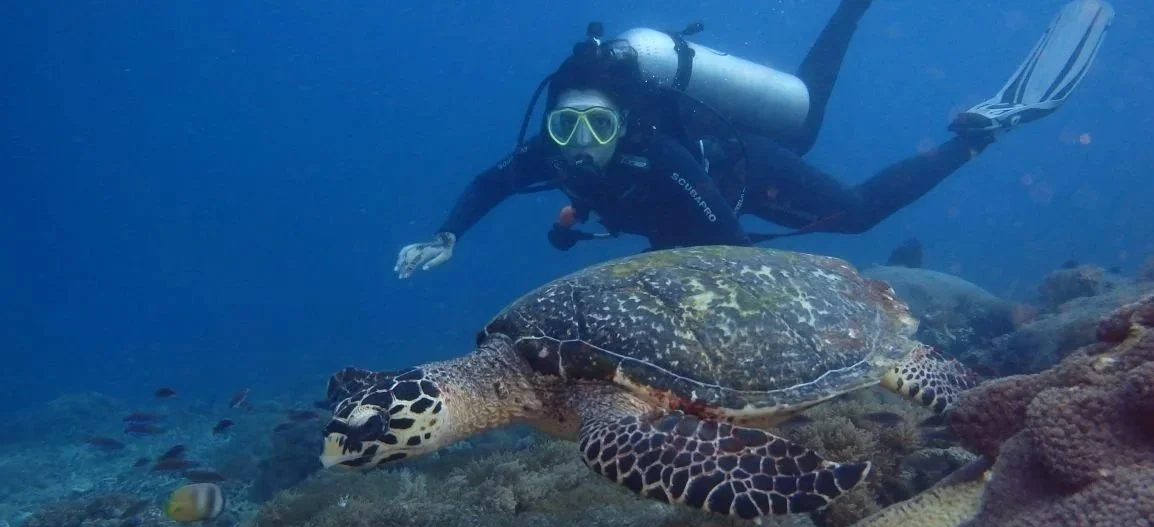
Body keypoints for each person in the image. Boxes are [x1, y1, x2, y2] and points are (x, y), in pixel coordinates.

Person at [394, 0, 1113, 279]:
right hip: (693, 201)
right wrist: (448, 234)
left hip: (743, 174)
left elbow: (728, 248)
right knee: (804, 112)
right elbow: (490, 183)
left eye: (597, 125)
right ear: (550, 127)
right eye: (567, 127)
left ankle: (979, 133)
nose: (580, 142)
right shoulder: (550, 154)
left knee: (855, 209)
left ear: (624, 124)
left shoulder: (661, 158)